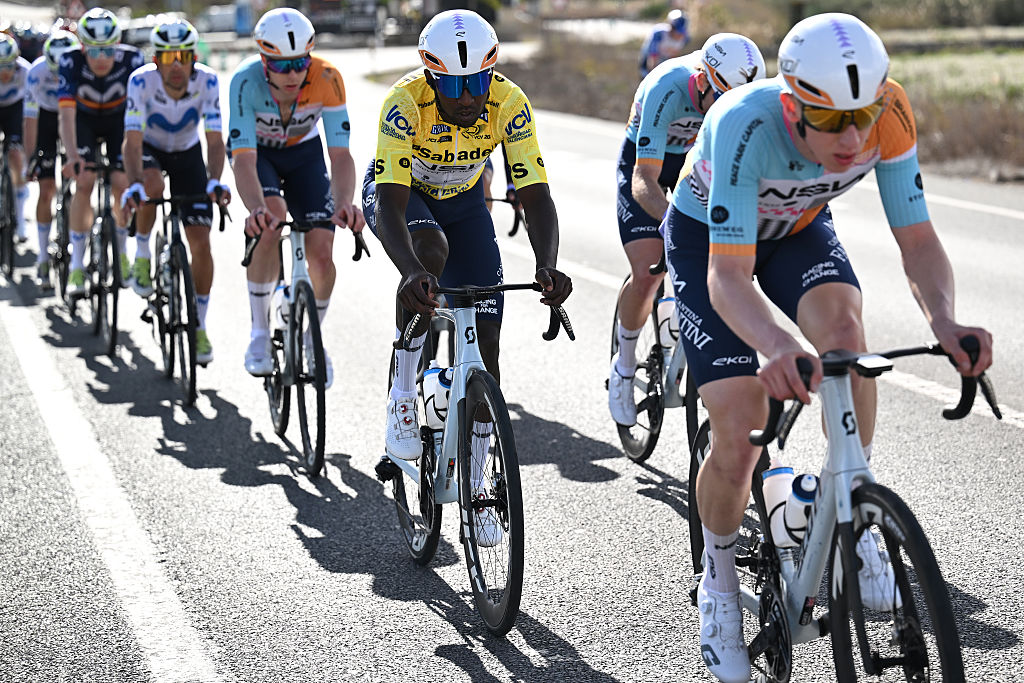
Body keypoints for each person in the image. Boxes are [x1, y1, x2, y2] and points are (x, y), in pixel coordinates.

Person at [663, 13, 994, 681]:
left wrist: (946, 320)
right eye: (832, 119)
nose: (853, 136)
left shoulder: (890, 112)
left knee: (846, 338)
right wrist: (777, 342)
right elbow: (728, 279)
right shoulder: (743, 123)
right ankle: (719, 586)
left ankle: (856, 501)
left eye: (864, 116)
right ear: (794, 104)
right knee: (739, 428)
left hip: (798, 231)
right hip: (709, 241)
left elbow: (918, 241)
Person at [363, 9, 572, 479]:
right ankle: (401, 392)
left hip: (464, 200)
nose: (468, 98)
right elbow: (390, 206)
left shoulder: (509, 102)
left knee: (487, 338)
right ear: (431, 77)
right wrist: (411, 271)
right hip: (401, 194)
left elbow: (536, 196)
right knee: (431, 252)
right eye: (453, 87)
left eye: (478, 82)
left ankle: (478, 470)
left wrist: (548, 265)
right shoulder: (405, 102)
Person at [609, 33, 765, 426]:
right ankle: (624, 366)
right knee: (648, 269)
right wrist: (675, 225)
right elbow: (644, 179)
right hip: (650, 161)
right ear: (702, 82)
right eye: (723, 100)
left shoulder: (734, 100)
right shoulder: (670, 86)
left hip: (695, 161)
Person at [228, 8, 364, 387]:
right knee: (271, 218)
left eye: (300, 63)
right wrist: (255, 209)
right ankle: (258, 333)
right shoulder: (244, 82)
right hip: (259, 156)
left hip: (305, 155)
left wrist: (345, 202)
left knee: (322, 255)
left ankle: (311, 339)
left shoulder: (328, 78)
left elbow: (340, 154)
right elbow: (243, 160)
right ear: (263, 60)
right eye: (281, 65)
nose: (292, 74)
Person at [122, 19, 229, 365]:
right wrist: (135, 182)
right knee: (151, 187)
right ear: (156, 60)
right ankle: (141, 254)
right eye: (169, 58)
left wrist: (214, 179)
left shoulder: (208, 81)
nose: (177, 65)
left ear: (194, 57)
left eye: (184, 56)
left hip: (188, 155)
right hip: (151, 150)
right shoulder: (140, 81)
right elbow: (132, 141)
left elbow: (214, 138)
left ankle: (198, 325)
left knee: (200, 240)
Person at [58, 7, 144, 298]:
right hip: (83, 121)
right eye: (93, 52)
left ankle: (122, 252)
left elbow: (140, 116)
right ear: (82, 48)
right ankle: (77, 266)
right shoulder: (69, 61)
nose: (102, 59)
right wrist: (72, 156)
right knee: (84, 182)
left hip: (118, 121)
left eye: (108, 50)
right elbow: (66, 116)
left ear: (117, 46)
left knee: (122, 183)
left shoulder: (133, 60)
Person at [23, 29, 80, 287]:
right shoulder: (35, 74)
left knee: (81, 185)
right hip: (45, 120)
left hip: (74, 118)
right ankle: (42, 254)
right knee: (46, 189)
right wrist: (30, 158)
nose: (60, 77)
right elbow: (29, 121)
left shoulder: (80, 66)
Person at [0, 33, 30, 245]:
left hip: (15, 108)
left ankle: (20, 218)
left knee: (15, 155)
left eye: (9, 66)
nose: (5, 72)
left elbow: (32, 108)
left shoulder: (26, 71)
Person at [638, 8, 690, 79]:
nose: (679, 35)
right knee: (646, 76)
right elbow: (652, 58)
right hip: (649, 58)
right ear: (671, 27)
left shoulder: (686, 38)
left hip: (665, 58)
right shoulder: (659, 34)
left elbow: (674, 57)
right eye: (677, 31)